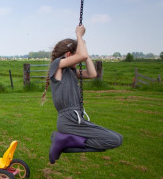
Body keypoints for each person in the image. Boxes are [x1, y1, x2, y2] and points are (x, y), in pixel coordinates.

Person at [41, 25, 122, 164]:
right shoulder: (57, 65)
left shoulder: (71, 72)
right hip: (69, 119)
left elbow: (92, 73)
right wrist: (79, 35)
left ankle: (64, 142)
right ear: (68, 55)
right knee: (112, 140)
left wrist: (83, 49)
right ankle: (63, 141)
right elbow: (82, 55)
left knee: (117, 138)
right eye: (75, 54)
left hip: (74, 118)